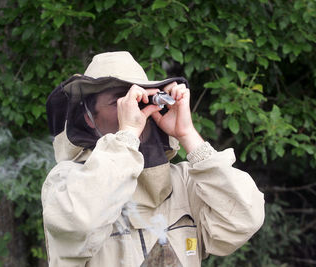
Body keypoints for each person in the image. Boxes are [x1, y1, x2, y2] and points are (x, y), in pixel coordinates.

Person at [42, 51, 265, 267]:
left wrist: (187, 134)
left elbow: (244, 220)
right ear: (89, 118)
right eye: (119, 101)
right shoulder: (66, 180)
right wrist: (127, 133)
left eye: (140, 98)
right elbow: (80, 223)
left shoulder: (185, 181)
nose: (136, 108)